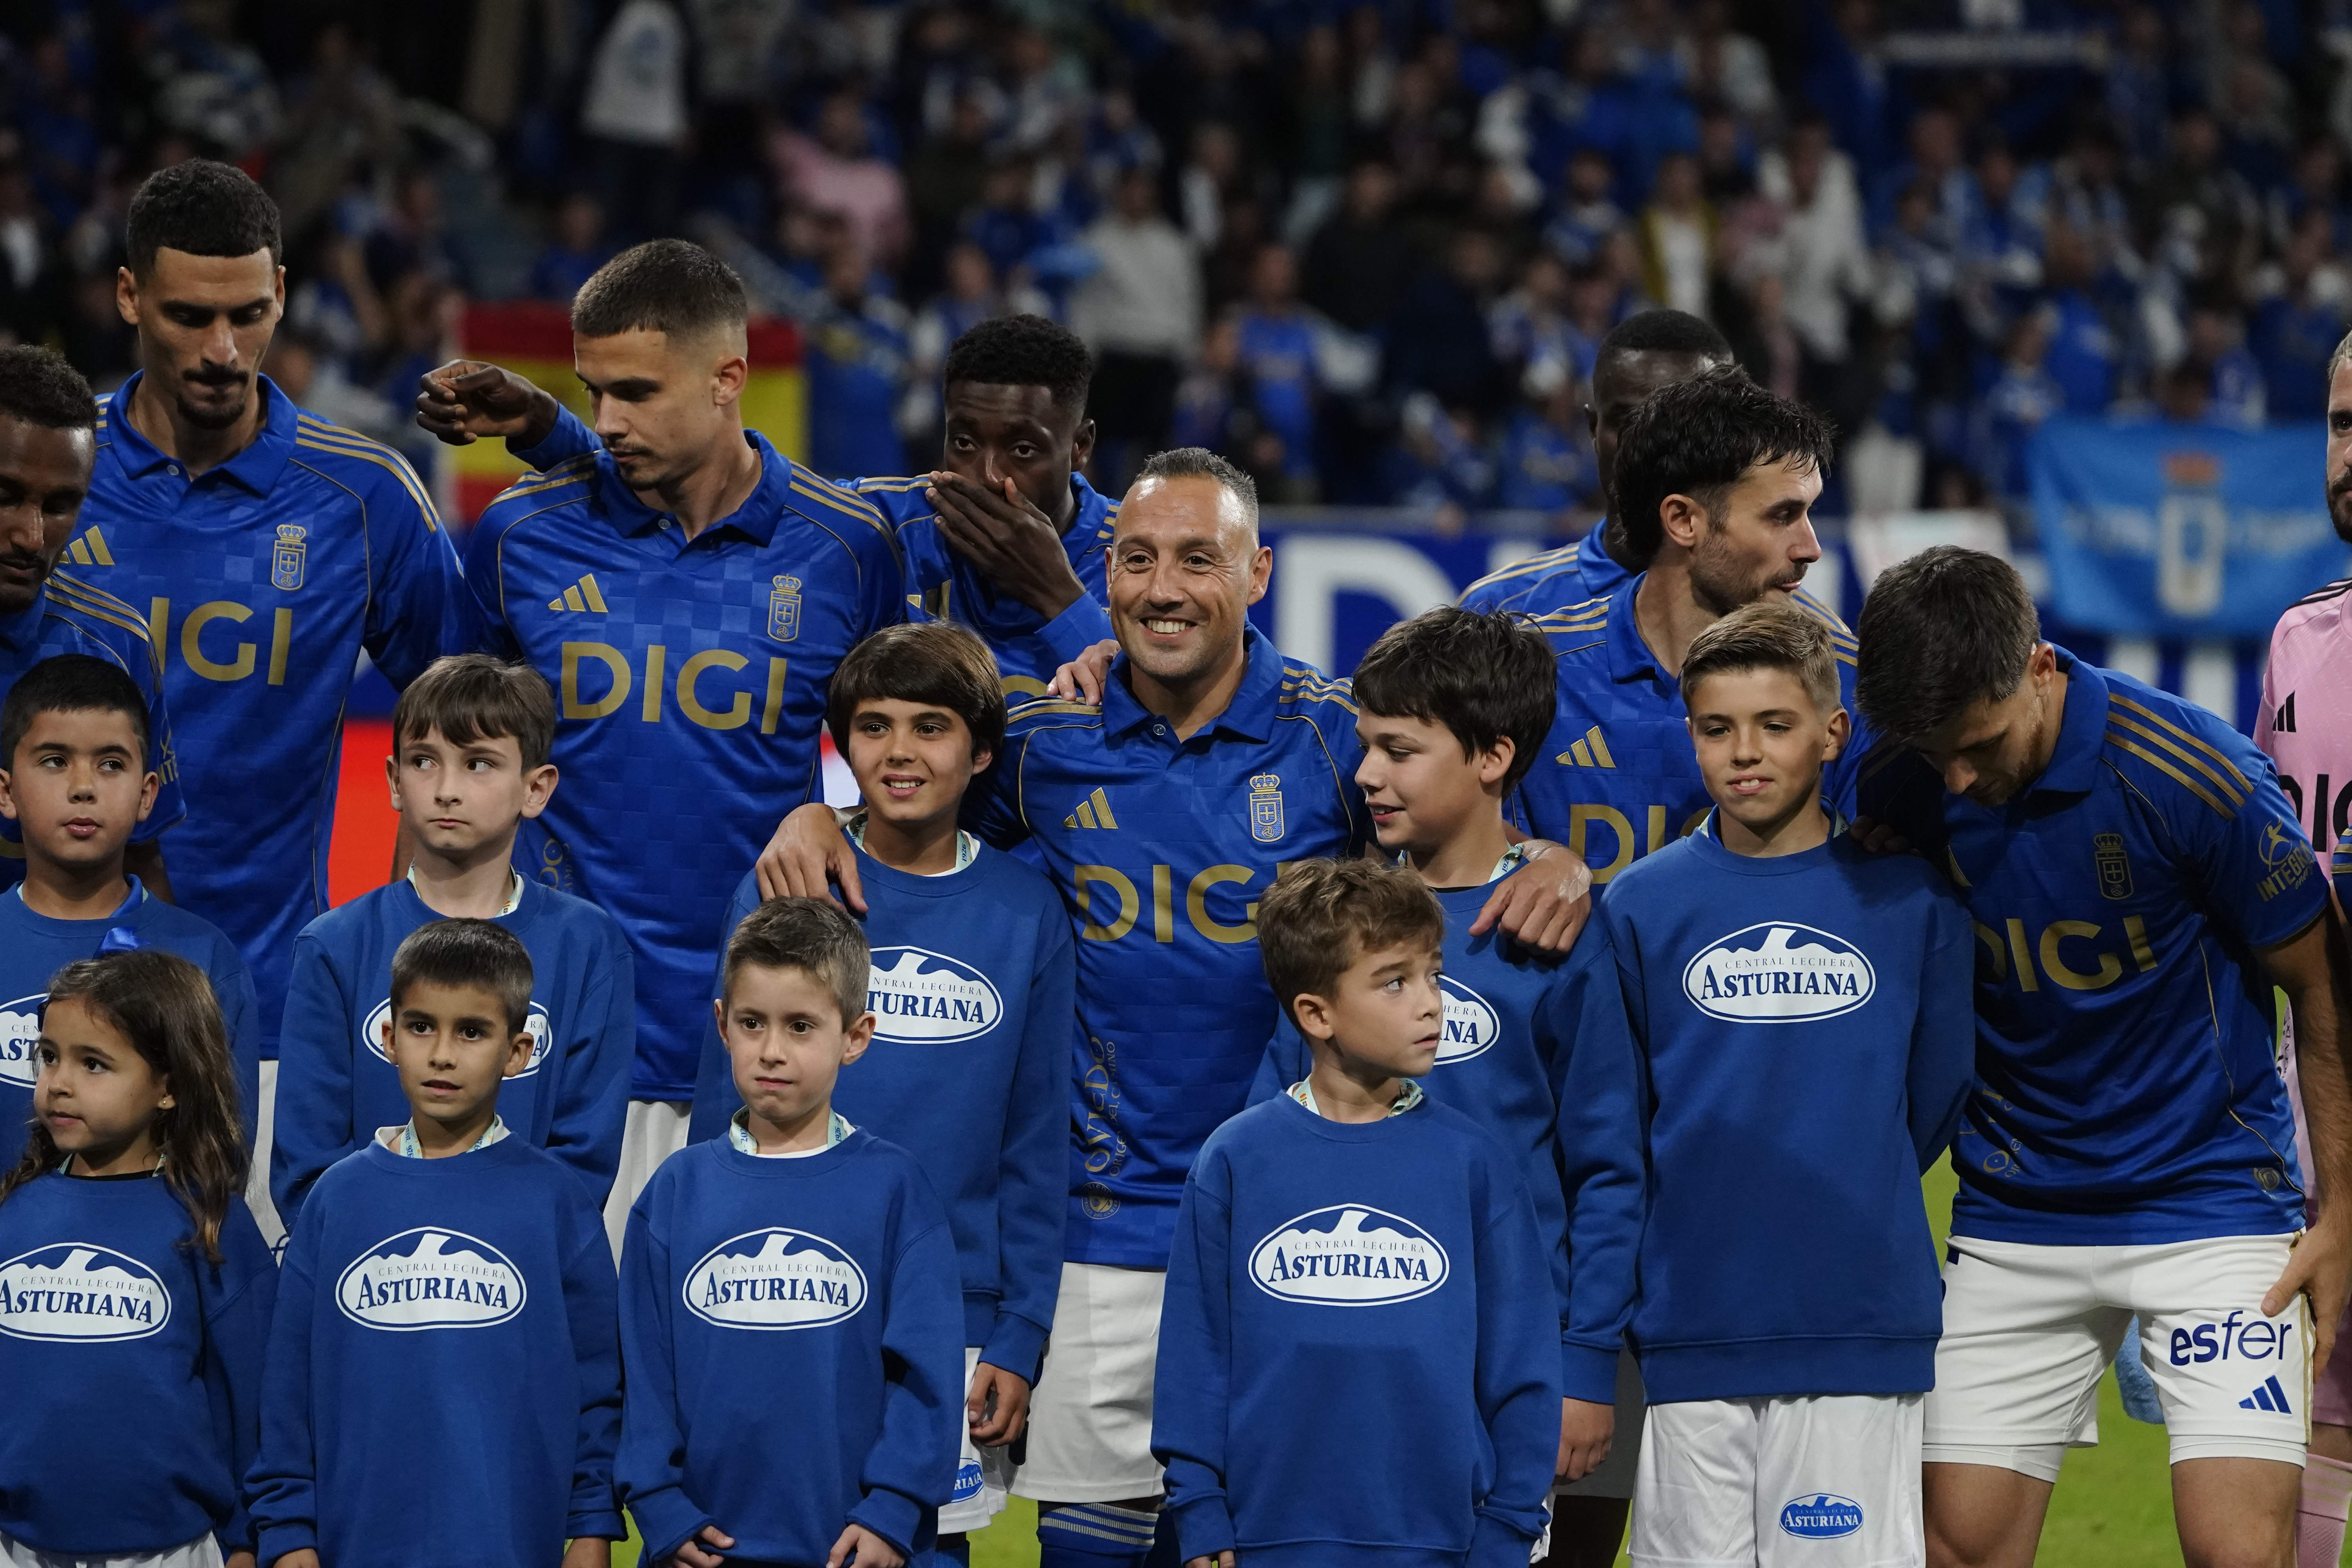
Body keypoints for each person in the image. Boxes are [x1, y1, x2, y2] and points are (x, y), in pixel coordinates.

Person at [769, 448, 1592, 1568]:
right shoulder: (1042, 745)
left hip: (1286, 1222)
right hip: (1099, 1232)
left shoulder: (1331, 738)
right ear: (1103, 574)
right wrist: (822, 820)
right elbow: (915, 825)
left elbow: (1456, 828)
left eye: (1198, 560)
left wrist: (1558, 860)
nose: (1163, 588)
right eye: (1138, 558)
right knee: (1092, 1547)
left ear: (1257, 574)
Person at [1853, 547, 2352, 1568]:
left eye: (1978, 745)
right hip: (2014, 1212)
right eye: (1933, 751)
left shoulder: (2193, 773)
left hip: (2212, 1205)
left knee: (2241, 1555)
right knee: (1956, 1552)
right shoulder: (1909, 779)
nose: (1956, 779)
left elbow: (2323, 982)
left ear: (2040, 668)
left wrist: (2341, 1212)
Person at [447, 240, 904, 1250]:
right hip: (553, 1045)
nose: (607, 423)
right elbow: (449, 774)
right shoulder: (523, 536)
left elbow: (914, 762)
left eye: (638, 392)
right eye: (593, 393)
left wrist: (830, 806)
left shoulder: (846, 546)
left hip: (756, 1053)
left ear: (728, 378)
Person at [78, 160, 481, 1242]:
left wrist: (409, 925)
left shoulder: (362, 499)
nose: (222, 350)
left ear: (285, 294)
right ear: (128, 298)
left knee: (250, 1369)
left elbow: (471, 722)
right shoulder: (45, 481)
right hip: (44, 1011)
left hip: (260, 1015)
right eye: (189, 316)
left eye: (249, 315)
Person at [1245, 606, 1644, 1519]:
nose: (1367, 775)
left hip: (1511, 1350)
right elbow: (1275, 1129)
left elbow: (1610, 1168)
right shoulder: (1336, 921)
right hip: (1341, 1331)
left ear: (1492, 757)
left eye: (1398, 750)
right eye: (1365, 746)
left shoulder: (1563, 933)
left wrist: (1586, 1365)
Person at [686, 621, 1073, 1560]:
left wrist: (1018, 1332)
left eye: (931, 726)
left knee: (920, 1542)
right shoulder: (786, 889)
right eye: (874, 725)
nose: (899, 751)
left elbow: (1033, 1143)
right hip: (776, 1293)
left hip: (953, 1314)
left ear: (982, 751)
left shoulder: (1025, 913)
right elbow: (717, 1125)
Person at [1600, 603, 1973, 1566]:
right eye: (1718, 728)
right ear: (1691, 735)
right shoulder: (1640, 906)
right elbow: (1625, 1114)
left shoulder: (1911, 902)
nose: (1745, 753)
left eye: (1774, 725)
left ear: (1832, 731)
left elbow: (1929, 1099)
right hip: (1691, 1324)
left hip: (1855, 1320)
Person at [1154, 857, 1563, 1568]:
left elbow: (1521, 1366)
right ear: (1316, 1014)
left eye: (1433, 974)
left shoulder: (1478, 1164)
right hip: (1265, 1538)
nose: (1432, 1002)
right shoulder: (1236, 1159)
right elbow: (1196, 1353)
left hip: (1449, 1543)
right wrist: (1199, 1504)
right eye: (1395, 982)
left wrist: (1506, 1529)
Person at [418, 311, 1117, 701]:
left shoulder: (1150, 555)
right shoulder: (884, 526)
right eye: (963, 441)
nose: (986, 476)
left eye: (1023, 452)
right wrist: (549, 429)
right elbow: (730, 486)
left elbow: (1190, 745)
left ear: (1080, 447)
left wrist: (1059, 600)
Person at [248, 920, 623, 1568]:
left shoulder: (557, 1201)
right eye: (422, 1027)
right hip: (353, 1543)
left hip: (511, 1542)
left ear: (518, 1051)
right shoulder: (336, 1200)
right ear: (389, 1039)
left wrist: (590, 1526)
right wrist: (287, 1533)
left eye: (472, 1032)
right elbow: (288, 1391)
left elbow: (599, 1385)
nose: (442, 1054)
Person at [618, 898, 964, 1568]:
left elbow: (928, 1378)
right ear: (722, 1025)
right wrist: (658, 1504)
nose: (772, 1051)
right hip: (702, 1548)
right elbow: (642, 1372)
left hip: (856, 1549)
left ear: (855, 1036)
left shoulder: (896, 1189)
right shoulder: (674, 1192)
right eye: (753, 1023)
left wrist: (893, 1509)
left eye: (801, 1026)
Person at [270, 655, 635, 1229]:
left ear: (535, 789)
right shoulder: (334, 946)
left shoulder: (587, 945)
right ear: (394, 781)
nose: (446, 790)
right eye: (424, 762)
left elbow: (583, 1160)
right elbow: (305, 1166)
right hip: (368, 1271)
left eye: (479, 764)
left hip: (519, 1272)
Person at [1516, 368, 1858, 880]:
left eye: (1809, 514)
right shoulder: (1539, 674)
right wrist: (1531, 856)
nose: (1810, 548)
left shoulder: (1847, 682)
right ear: (1683, 521)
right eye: (1782, 516)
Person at [0, 949, 274, 1568]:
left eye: (94, 1064)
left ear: (169, 1088)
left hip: (175, 1549)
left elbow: (255, 1399)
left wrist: (250, 1538)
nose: (60, 1083)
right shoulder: (12, 1212)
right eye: (49, 1057)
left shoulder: (210, 1224)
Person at [2244, 327, 2352, 1568]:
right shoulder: (2297, 644)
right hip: (2316, 1146)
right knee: (2315, 1444)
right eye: (2337, 424)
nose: (2347, 455)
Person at [0, 655, 257, 1166]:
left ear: (147, 797)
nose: (84, 786)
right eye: (55, 760)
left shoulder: (203, 960)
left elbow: (218, 1158)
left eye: (111, 764)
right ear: (6, 792)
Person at [0, 344, 180, 897]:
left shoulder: (115, 646)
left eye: (59, 506)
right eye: (6, 497)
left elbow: (141, 861)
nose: (31, 537)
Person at [1458, 309, 1733, 617]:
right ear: (1593, 429)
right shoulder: (1500, 612)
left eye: (1686, 424)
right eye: (1629, 422)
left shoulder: (1783, 628)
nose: (1651, 447)